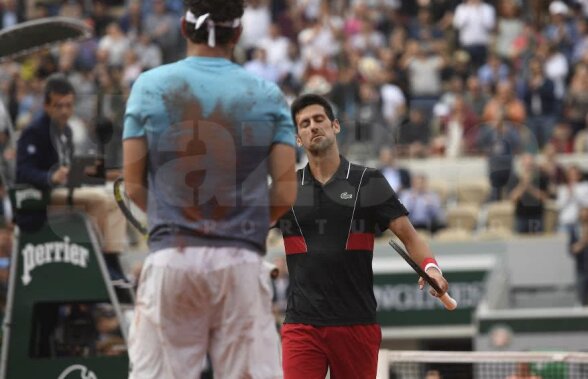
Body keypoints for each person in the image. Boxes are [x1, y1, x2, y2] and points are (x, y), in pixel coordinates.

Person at [122, 0, 297, 377]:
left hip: (172, 259)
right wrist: (242, 227)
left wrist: (171, 219)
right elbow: (285, 193)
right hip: (241, 263)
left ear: (185, 30)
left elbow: (133, 183)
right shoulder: (268, 95)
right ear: (237, 33)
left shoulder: (148, 87)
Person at [275, 94, 450, 379]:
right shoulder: (287, 188)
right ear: (298, 139)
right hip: (301, 325)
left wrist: (431, 267)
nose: (313, 127)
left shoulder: (369, 181)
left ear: (335, 126)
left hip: (356, 324)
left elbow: (409, 235)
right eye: (304, 124)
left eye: (319, 120)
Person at [15, 74, 128, 281]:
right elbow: (24, 171)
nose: (65, 111)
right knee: (99, 200)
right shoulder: (34, 131)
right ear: (47, 106)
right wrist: (50, 176)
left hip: (64, 191)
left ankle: (112, 258)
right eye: (59, 106)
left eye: (69, 105)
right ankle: (103, 262)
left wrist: (97, 173)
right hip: (43, 196)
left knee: (116, 196)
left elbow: (69, 170)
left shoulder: (66, 130)